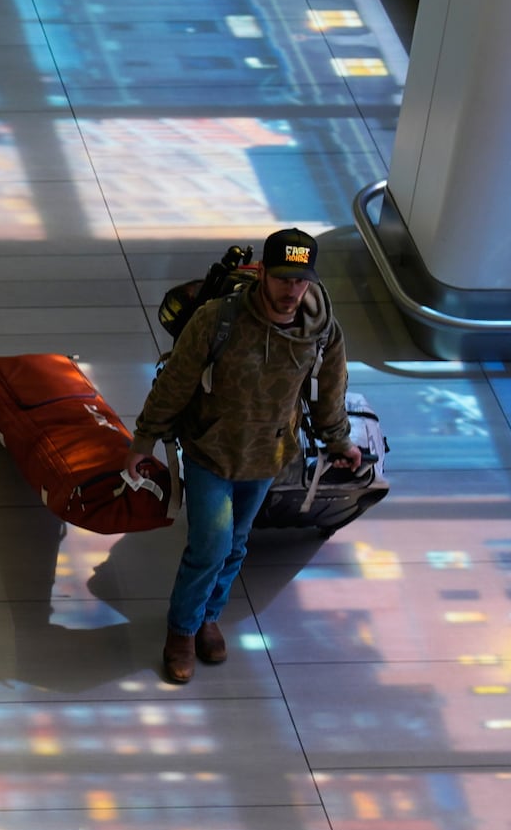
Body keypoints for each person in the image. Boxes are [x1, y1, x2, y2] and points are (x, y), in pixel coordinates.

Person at [131, 226, 362, 685]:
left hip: (267, 453)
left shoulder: (321, 332)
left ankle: (207, 617)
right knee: (210, 546)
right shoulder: (219, 320)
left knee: (236, 544)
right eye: (282, 278)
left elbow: (328, 393)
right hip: (210, 449)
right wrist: (143, 439)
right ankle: (181, 631)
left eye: (300, 280)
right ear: (262, 276)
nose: (291, 290)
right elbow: (175, 382)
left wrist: (340, 441)